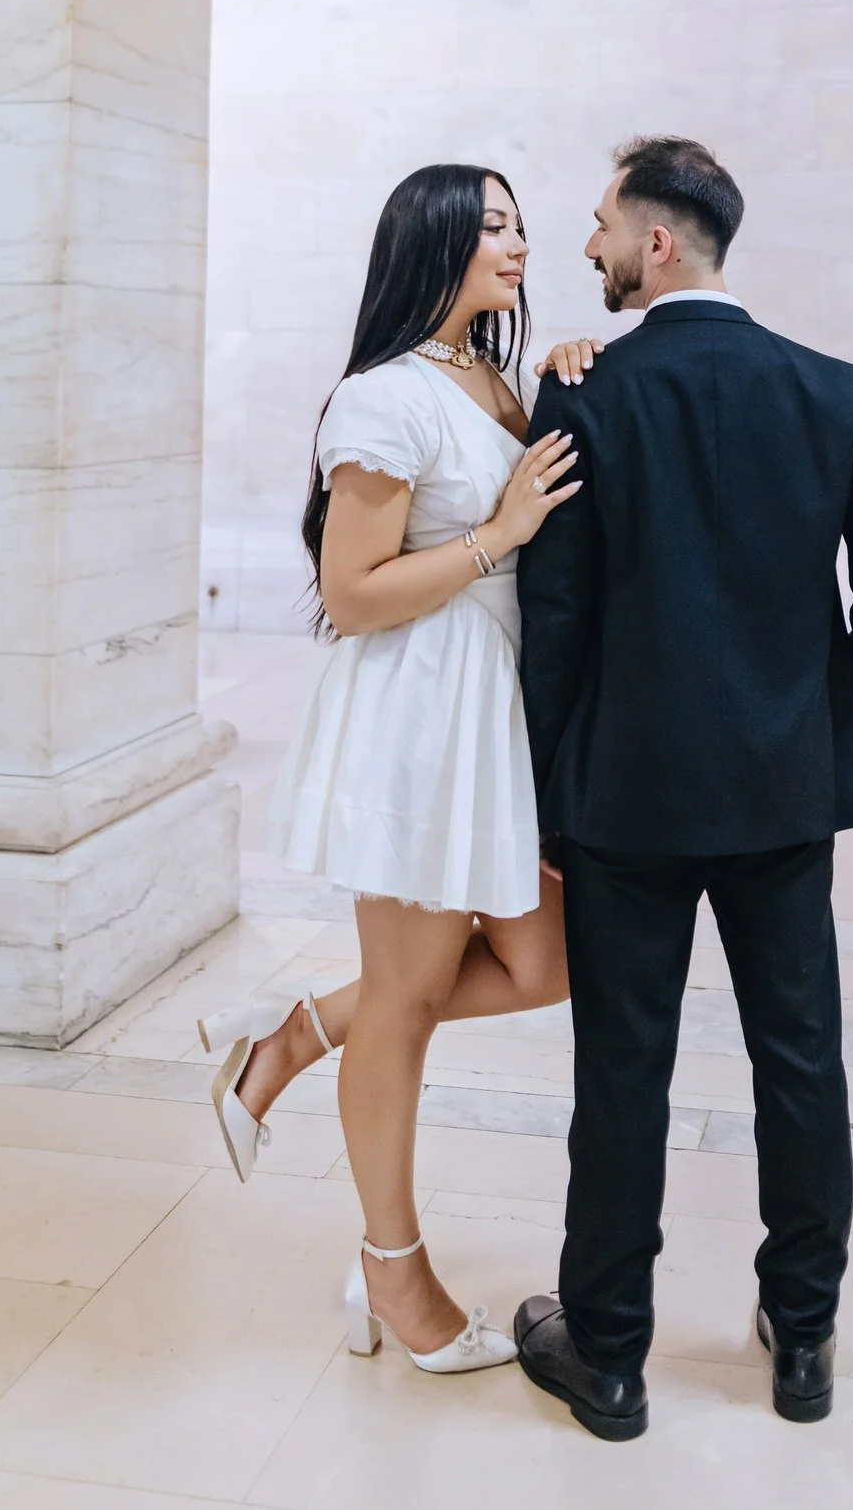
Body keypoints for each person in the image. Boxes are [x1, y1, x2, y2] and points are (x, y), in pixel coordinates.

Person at [510, 137, 853, 1441]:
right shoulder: (831, 390)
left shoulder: (587, 400)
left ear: (656, 245)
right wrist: (831, 719)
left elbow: (558, 618)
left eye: (595, 228)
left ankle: (612, 1358)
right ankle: (802, 1337)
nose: (582, 249)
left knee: (622, 1069)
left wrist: (547, 793)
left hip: (624, 797)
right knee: (799, 1058)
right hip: (778, 791)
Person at [196, 164, 582, 1376]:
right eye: (493, 227)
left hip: (493, 716)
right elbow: (355, 594)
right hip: (421, 715)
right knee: (408, 1008)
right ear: (435, 246)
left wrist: (566, 381)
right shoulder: (381, 397)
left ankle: (297, 1035)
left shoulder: (489, 378)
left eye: (521, 222)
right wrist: (496, 535)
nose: (518, 242)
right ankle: (391, 1275)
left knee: (544, 960)